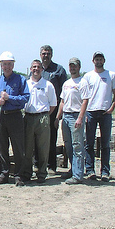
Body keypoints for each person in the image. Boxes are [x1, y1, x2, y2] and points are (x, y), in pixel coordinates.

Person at [0, 51, 29, 186]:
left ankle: (18, 175)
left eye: (9, 64)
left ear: (13, 65)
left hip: (15, 116)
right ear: (1, 65)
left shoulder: (21, 80)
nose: (7, 67)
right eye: (4, 64)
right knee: (2, 147)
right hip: (0, 117)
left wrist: (9, 98)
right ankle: (4, 173)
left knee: (18, 147)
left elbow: (25, 98)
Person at [83, 51, 115, 182]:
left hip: (105, 113)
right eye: (96, 59)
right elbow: (84, 95)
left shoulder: (111, 75)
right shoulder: (88, 76)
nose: (98, 61)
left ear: (104, 61)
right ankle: (90, 170)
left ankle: (105, 171)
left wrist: (112, 108)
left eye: (100, 59)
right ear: (93, 61)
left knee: (105, 144)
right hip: (91, 112)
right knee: (89, 143)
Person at [55, 57, 90, 184]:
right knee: (68, 145)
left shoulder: (83, 82)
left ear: (79, 67)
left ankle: (78, 175)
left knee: (77, 146)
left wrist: (81, 117)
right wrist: (58, 117)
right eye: (70, 66)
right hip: (66, 116)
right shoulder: (66, 83)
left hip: (76, 116)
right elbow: (62, 102)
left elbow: (85, 100)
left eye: (74, 66)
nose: (72, 68)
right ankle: (73, 169)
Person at [22, 59, 57, 185]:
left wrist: (45, 116)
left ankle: (42, 173)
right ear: (30, 69)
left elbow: (53, 104)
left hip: (43, 118)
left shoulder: (48, 85)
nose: (36, 69)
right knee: (27, 148)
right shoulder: (25, 84)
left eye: (38, 67)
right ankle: (27, 173)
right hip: (28, 117)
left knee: (43, 148)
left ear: (42, 69)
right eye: (34, 67)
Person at [40, 45, 67, 173]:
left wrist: (59, 114)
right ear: (40, 55)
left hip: (53, 110)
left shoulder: (59, 70)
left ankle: (51, 166)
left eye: (48, 53)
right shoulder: (37, 69)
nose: (46, 55)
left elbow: (64, 92)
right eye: (44, 53)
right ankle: (39, 165)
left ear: (52, 55)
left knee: (51, 138)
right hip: (39, 110)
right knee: (37, 138)